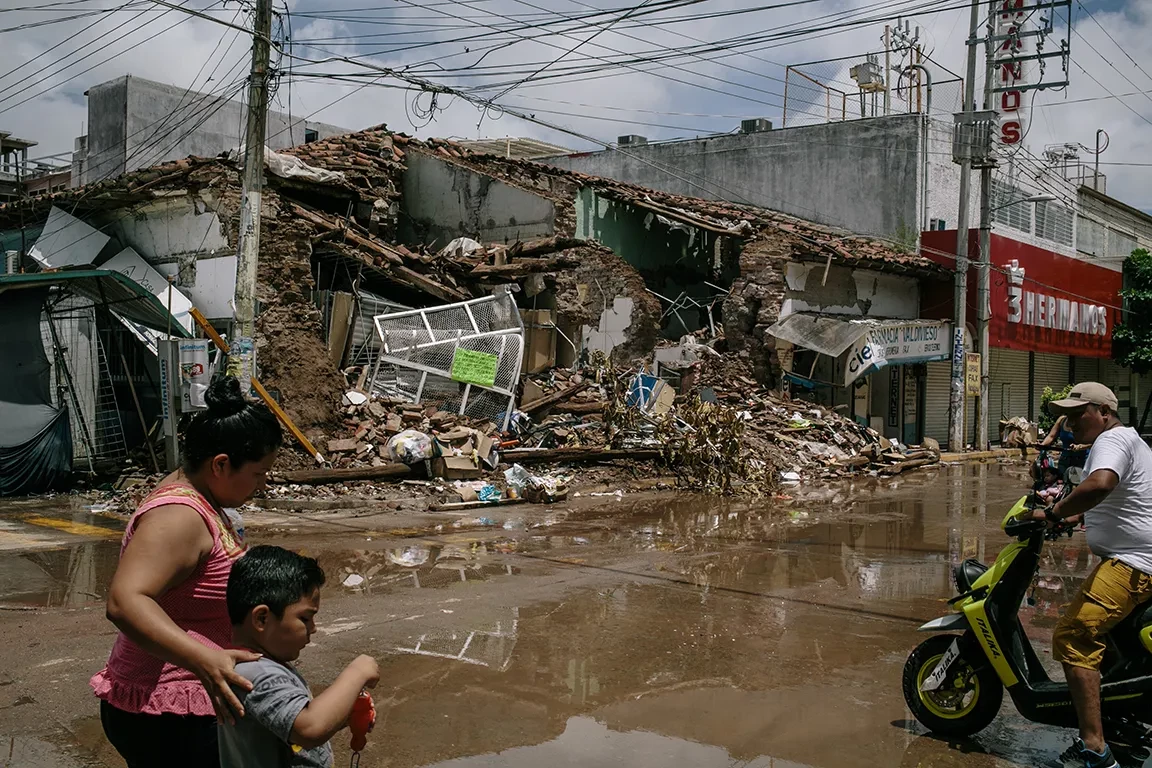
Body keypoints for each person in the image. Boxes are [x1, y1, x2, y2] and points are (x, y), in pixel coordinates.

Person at [92, 377, 283, 768]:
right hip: (166, 713)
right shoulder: (179, 517)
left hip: (182, 705)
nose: (262, 486)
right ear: (221, 464)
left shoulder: (200, 496)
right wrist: (203, 658)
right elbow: (125, 602)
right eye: (259, 474)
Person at [1032, 382, 1152, 768]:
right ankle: (1119, 724)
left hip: (1134, 562)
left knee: (1073, 635)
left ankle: (1094, 749)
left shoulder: (1110, 441)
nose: (1068, 422)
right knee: (1114, 644)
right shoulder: (1130, 440)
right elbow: (1123, 495)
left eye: (1077, 413)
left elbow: (1100, 484)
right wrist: (1078, 513)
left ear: (1103, 411)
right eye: (1064, 415)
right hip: (1138, 557)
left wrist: (1053, 513)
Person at [219, 545, 380, 768]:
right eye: (305, 619)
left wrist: (343, 714)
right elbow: (310, 728)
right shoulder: (255, 674)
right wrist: (357, 672)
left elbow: (289, 724)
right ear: (262, 619)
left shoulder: (266, 664)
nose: (313, 628)